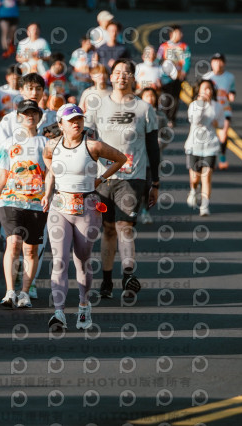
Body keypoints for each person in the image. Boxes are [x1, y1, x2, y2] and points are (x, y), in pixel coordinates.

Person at [42, 103, 126, 330]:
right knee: (59, 260)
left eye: (79, 119)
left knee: (82, 259)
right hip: (59, 206)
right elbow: (47, 159)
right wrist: (49, 189)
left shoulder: (93, 146)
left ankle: (83, 305)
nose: (76, 123)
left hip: (87, 207)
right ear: (61, 124)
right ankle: (59, 312)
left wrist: (101, 179)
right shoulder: (52, 145)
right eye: (71, 120)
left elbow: (120, 158)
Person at [85, 59, 161, 301]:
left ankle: (128, 274)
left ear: (133, 78)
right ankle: (107, 280)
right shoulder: (97, 106)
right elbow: (84, 140)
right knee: (108, 229)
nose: (121, 76)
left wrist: (155, 183)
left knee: (124, 226)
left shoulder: (144, 109)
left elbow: (153, 148)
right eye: (117, 72)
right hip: (103, 178)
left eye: (126, 73)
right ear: (111, 77)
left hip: (132, 177)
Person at [0, 73, 58, 299]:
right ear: (21, 91)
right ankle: (11, 288)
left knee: (35, 244)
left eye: (38, 88)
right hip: (13, 193)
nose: (34, 92)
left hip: (40, 194)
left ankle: (29, 285)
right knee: (12, 241)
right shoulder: (9, 120)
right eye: (30, 88)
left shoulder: (52, 118)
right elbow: (0, 152)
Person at [0, 99, 49, 308]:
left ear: (39, 117)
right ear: (19, 117)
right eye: (25, 113)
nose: (30, 116)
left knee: (30, 250)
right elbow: (2, 175)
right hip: (10, 200)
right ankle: (10, 292)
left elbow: (51, 173)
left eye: (34, 113)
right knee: (13, 243)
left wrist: (49, 195)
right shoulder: (8, 144)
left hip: (36, 204)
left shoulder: (46, 144)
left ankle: (25, 293)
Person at [184, 79, 224, 217]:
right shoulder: (194, 105)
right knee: (195, 178)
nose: (208, 91)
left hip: (210, 146)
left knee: (206, 178)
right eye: (204, 88)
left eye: (209, 88)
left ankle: (204, 206)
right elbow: (195, 120)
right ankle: (193, 190)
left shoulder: (217, 106)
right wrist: (201, 104)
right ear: (199, 91)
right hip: (194, 145)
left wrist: (217, 123)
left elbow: (222, 123)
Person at [138, 87, 170, 224]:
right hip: (137, 158)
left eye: (152, 96)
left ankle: (145, 211)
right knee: (137, 187)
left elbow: (167, 135)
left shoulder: (160, 116)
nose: (150, 98)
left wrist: (160, 142)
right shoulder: (136, 115)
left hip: (153, 159)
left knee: (149, 186)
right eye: (147, 96)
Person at [201, 52, 236, 169]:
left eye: (220, 61)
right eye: (215, 61)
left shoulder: (230, 77)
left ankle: (222, 157)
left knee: (223, 135)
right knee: (208, 135)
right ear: (211, 63)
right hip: (210, 110)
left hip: (224, 109)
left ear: (224, 63)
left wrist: (231, 95)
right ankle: (209, 158)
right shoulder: (207, 77)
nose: (218, 64)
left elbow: (232, 90)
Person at [69, 35, 95, 102]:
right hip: (78, 81)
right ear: (83, 42)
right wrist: (77, 75)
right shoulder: (77, 52)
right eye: (89, 42)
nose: (90, 44)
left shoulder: (93, 54)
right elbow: (72, 67)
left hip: (89, 81)